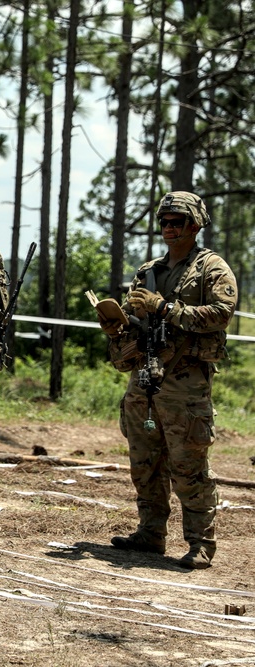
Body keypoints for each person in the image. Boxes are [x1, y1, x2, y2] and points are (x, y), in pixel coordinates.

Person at [101, 191, 236, 570]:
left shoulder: (211, 268)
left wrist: (165, 307)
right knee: (145, 464)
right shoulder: (148, 271)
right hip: (145, 380)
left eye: (177, 222)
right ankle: (150, 533)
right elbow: (133, 322)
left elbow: (221, 314)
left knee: (189, 466)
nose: (169, 229)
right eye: (164, 222)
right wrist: (117, 326)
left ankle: (200, 543)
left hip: (185, 385)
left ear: (196, 225)